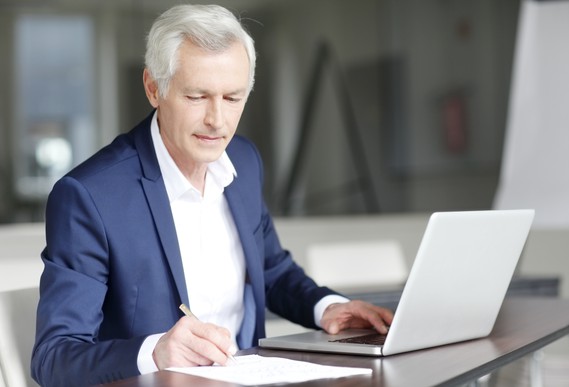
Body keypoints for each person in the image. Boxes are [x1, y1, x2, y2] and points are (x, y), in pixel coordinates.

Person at [31, 4, 393, 386]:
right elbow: (54, 357)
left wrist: (328, 308)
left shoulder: (244, 161)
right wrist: (155, 352)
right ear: (154, 88)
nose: (217, 121)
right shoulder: (89, 197)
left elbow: (270, 271)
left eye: (233, 98)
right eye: (197, 96)